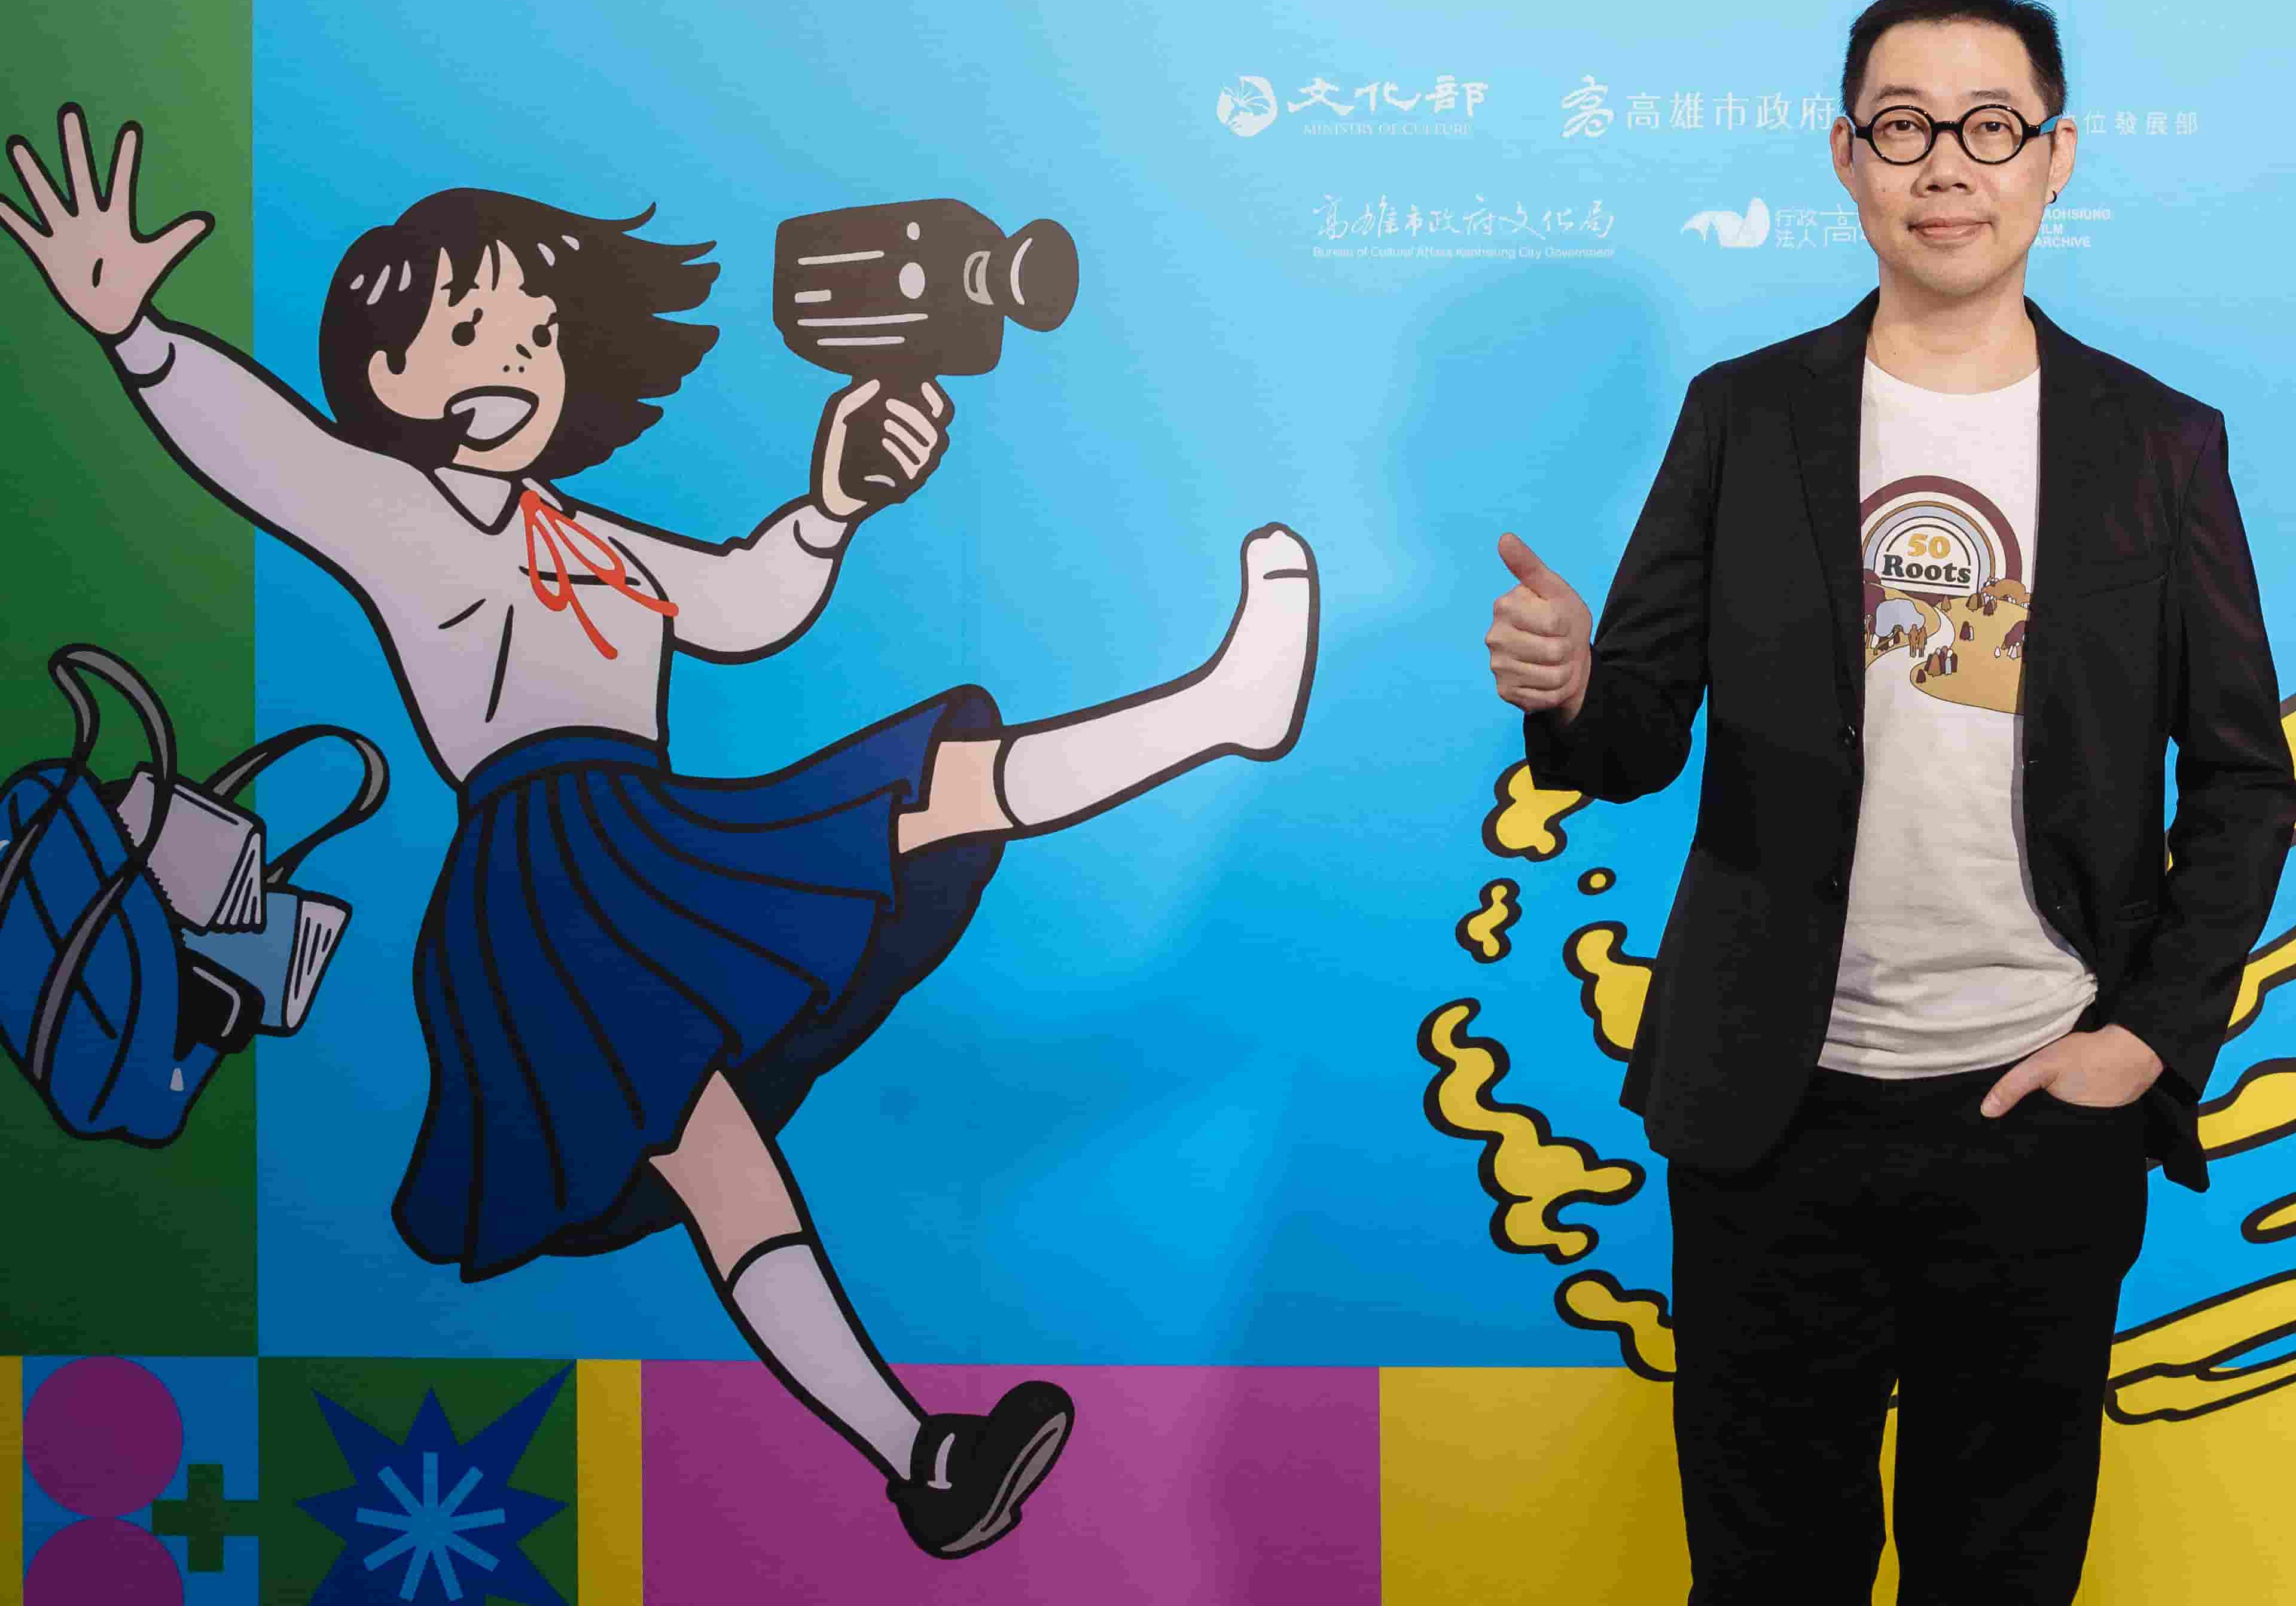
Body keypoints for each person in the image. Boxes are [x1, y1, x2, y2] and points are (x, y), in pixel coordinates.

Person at [4, 111, 1320, 1561]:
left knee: (801, 1017)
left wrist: (831, 504)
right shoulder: (396, 510)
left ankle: (928, 1461)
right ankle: (1218, 714)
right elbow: (270, 455)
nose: (514, 358)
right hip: (548, 875)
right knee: (817, 983)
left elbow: (745, 605)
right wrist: (137, 336)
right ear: (387, 377)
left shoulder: (586, 534)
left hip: (644, 835)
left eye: (534, 333)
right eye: (468, 329)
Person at [1484, 0, 2296, 1604]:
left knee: (2000, 1569)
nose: (1947, 165)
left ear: (2055, 155)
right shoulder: (1745, 415)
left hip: (2036, 1110)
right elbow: (1636, 733)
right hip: (1770, 1107)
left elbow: (2241, 777)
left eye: (1990, 126)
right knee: (1764, 1570)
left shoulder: (2157, 442)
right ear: (1845, 155)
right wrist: (1570, 689)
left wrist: (2144, 1039)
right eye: (1904, 126)